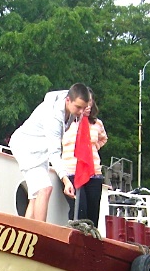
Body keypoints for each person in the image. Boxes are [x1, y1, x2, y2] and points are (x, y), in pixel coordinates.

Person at [8, 84, 91, 221]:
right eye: (78, 107)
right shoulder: (54, 117)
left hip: (40, 150)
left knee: (35, 196)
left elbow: (81, 92)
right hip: (26, 147)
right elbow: (54, 153)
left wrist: (84, 107)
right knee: (45, 188)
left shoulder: (69, 101)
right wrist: (66, 181)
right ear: (68, 100)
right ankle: (41, 234)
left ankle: (27, 232)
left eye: (84, 108)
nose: (81, 112)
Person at [60, 94, 108, 222]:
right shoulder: (67, 122)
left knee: (92, 214)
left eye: (89, 101)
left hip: (93, 171)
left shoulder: (97, 124)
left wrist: (93, 148)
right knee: (79, 210)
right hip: (71, 171)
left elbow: (104, 139)